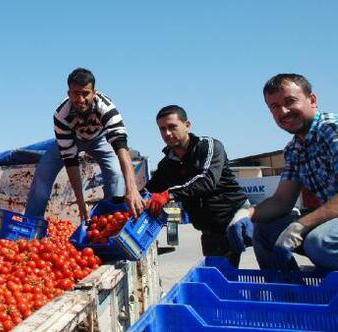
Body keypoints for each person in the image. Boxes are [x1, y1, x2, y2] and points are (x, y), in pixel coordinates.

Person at [25, 68, 143, 221]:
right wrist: (81, 203)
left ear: (94, 92)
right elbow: (70, 161)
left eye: (85, 93)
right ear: (69, 94)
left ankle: (109, 219)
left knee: (115, 173)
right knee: (43, 172)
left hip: (100, 139)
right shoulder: (61, 115)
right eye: (75, 93)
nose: (80, 99)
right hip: (74, 139)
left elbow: (121, 148)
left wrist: (132, 189)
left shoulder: (107, 109)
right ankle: (32, 222)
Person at [248, 73, 338, 271]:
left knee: (320, 242)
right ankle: (288, 296)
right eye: (275, 107)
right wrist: (246, 215)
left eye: (290, 101)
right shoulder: (294, 149)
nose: (284, 111)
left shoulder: (333, 130)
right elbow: (281, 201)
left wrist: (299, 227)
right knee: (265, 231)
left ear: (312, 100)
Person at [142, 105, 251, 267]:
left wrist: (168, 194)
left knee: (273, 266)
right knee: (218, 277)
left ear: (187, 125)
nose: (167, 134)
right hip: (210, 229)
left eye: (172, 127)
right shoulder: (167, 164)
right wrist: (125, 198)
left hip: (236, 217)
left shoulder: (209, 146)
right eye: (162, 129)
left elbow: (206, 180)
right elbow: (150, 189)